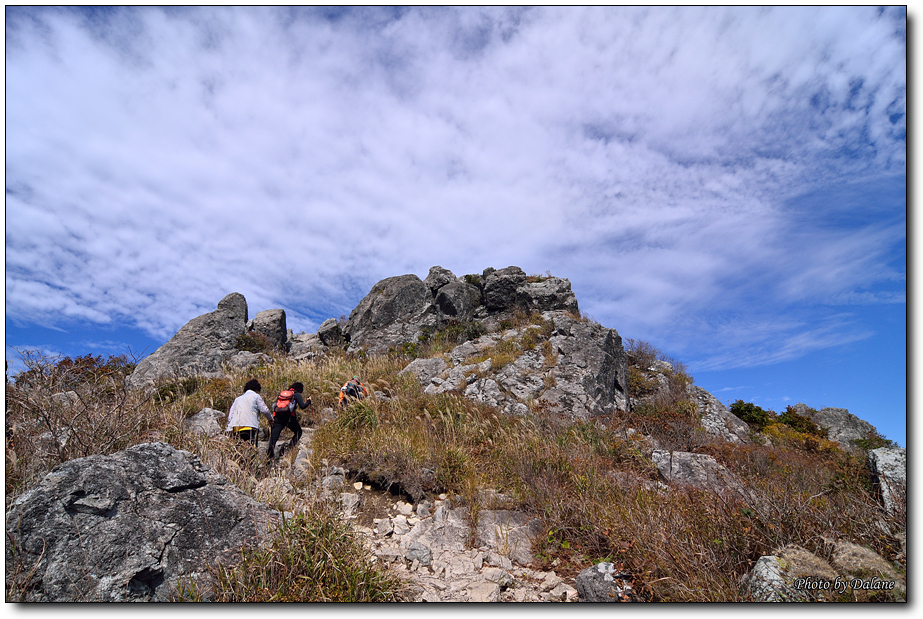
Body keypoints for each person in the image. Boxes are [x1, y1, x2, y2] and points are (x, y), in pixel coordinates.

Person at [267, 382, 311, 460]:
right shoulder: (296, 395)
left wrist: (273, 418)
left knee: (273, 438)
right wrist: (308, 401)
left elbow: (276, 406)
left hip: (277, 418)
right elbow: (303, 406)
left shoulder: (282, 394)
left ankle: (269, 458)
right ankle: (290, 448)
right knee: (298, 431)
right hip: (289, 418)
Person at [226, 378, 273, 445]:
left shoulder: (238, 399)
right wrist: (270, 419)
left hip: (236, 427)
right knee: (251, 448)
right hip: (250, 426)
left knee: (239, 449)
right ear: (257, 389)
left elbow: (230, 416)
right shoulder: (255, 396)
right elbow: (265, 410)